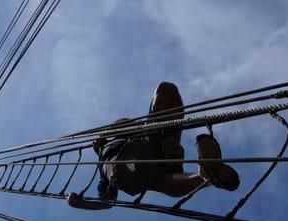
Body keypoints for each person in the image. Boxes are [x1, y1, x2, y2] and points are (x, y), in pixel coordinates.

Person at [67, 82, 239, 210]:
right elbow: (107, 202)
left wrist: (106, 134)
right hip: (134, 165)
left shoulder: (121, 138)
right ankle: (205, 176)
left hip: (150, 142)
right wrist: (81, 204)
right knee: (162, 180)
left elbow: (125, 124)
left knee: (165, 90)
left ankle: (205, 176)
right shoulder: (103, 171)